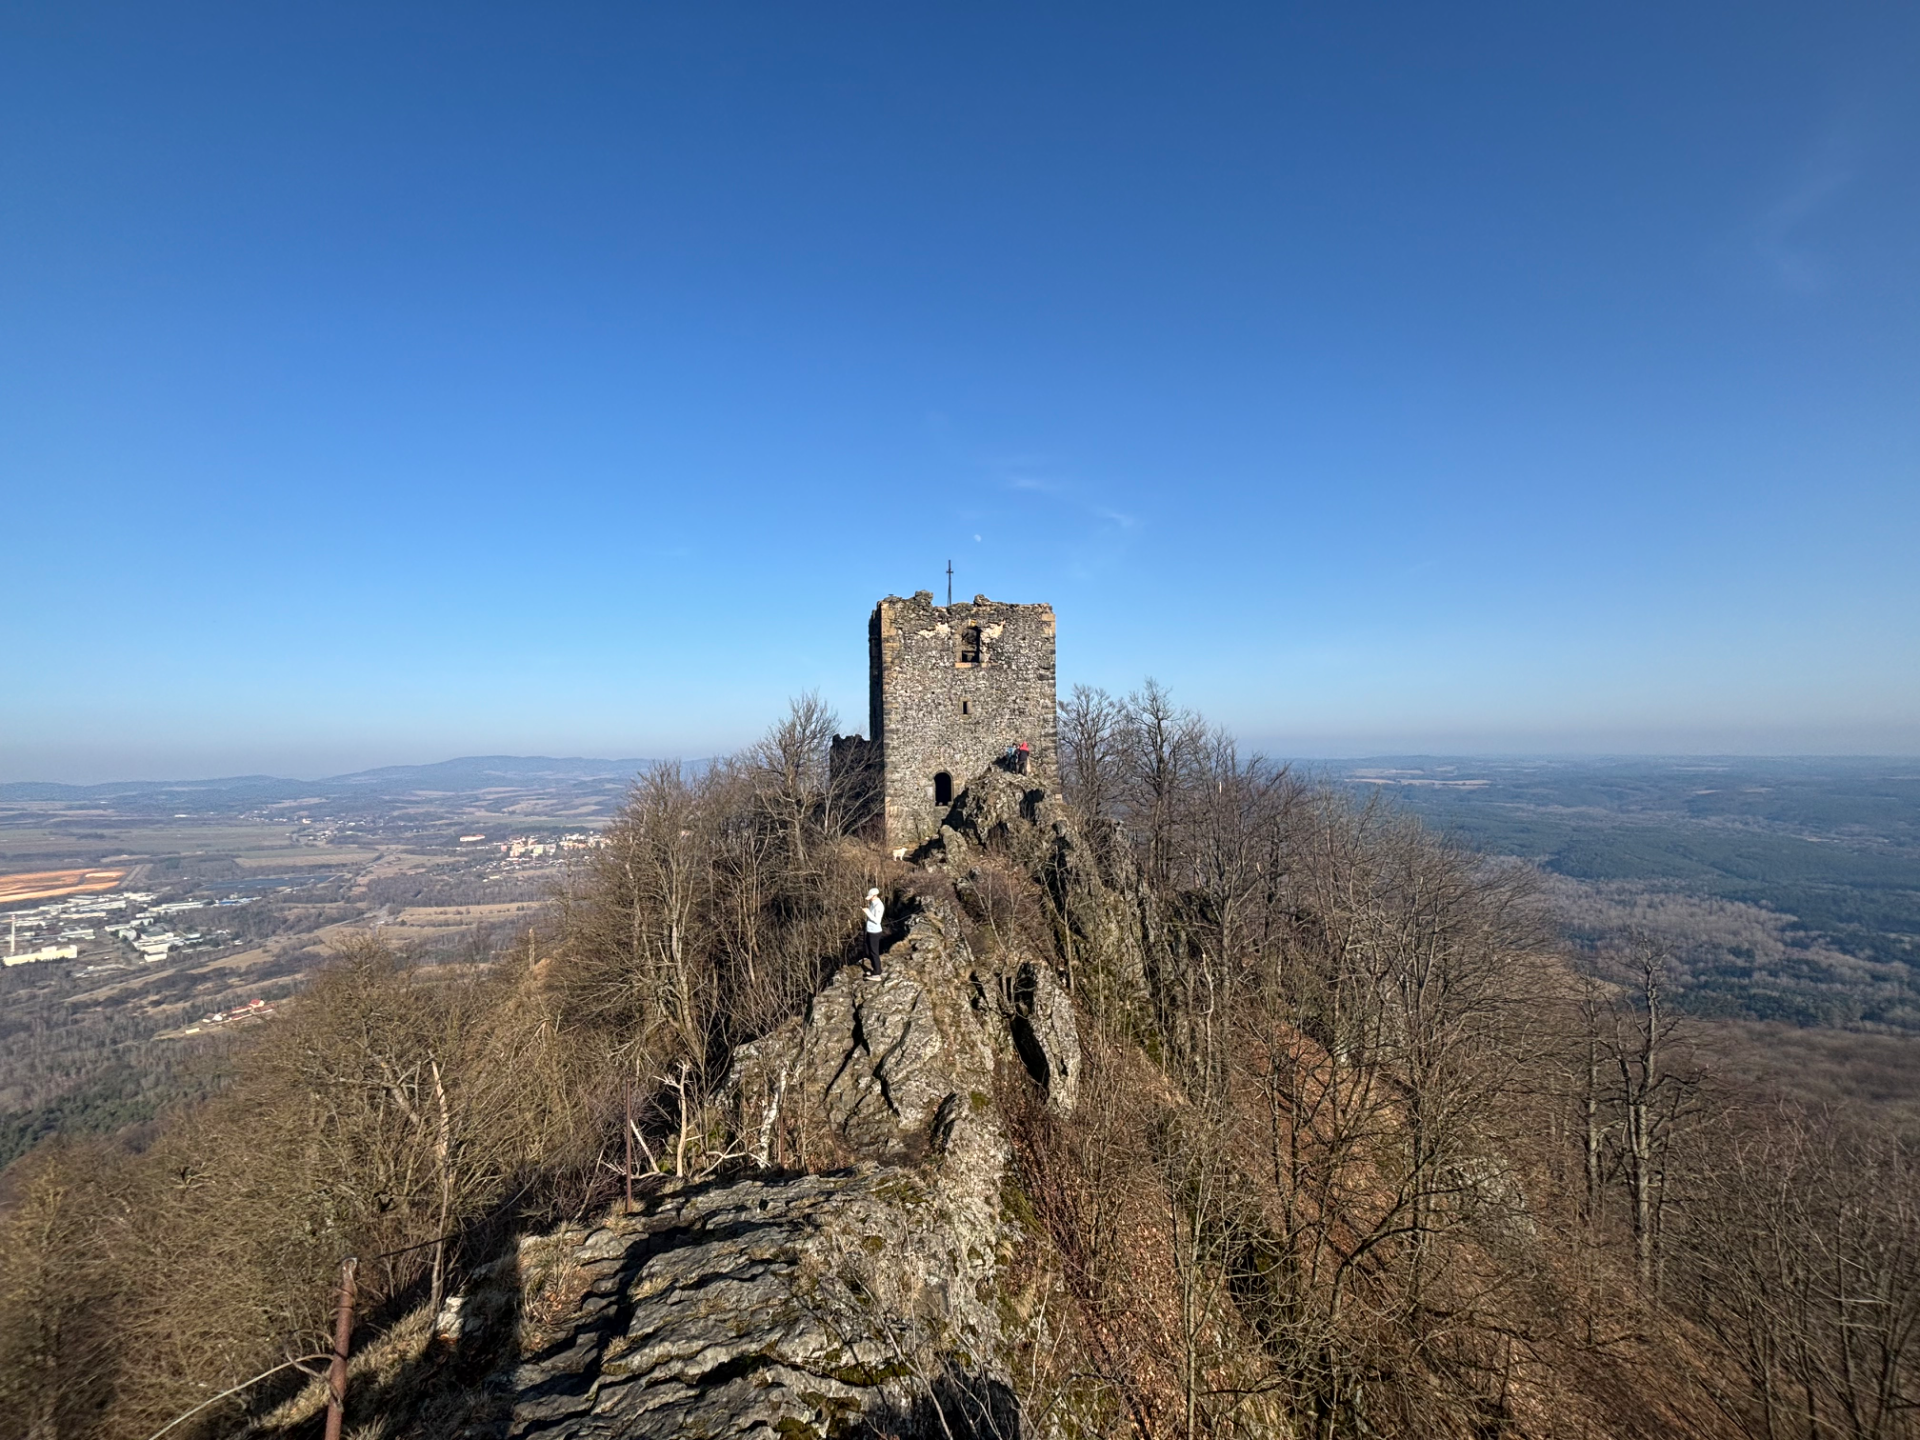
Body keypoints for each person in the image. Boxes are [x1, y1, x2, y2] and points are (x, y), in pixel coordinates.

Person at [861, 888, 885, 975]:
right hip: (870, 930)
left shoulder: (879, 906)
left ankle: (877, 971)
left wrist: (867, 912)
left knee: (874, 952)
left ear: (875, 896)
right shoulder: (873, 903)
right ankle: (874, 968)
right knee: (868, 951)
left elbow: (877, 921)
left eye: (870, 896)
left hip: (875, 932)